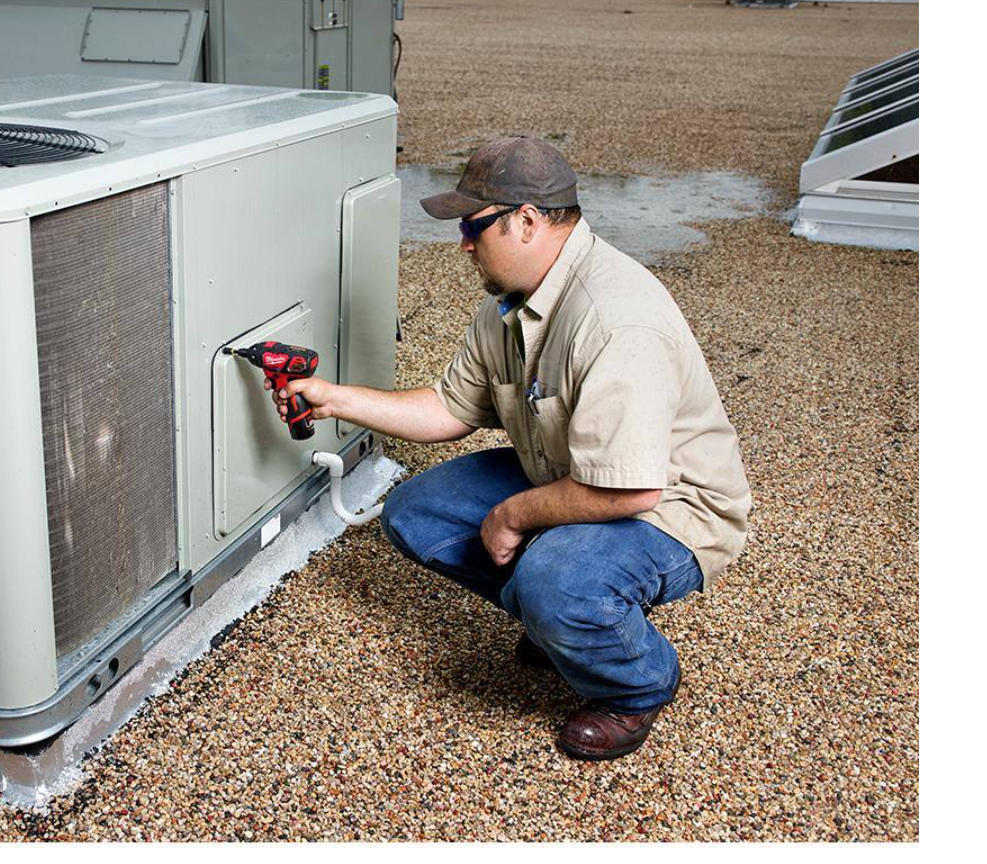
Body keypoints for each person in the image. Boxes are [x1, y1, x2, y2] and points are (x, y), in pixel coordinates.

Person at [266, 136, 751, 760]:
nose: (463, 244)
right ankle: (565, 619)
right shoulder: (513, 303)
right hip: (571, 475)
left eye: (473, 225)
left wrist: (512, 515)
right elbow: (448, 408)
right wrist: (334, 399)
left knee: (558, 584)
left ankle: (634, 684)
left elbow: (629, 490)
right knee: (416, 512)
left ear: (526, 221)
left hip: (669, 508)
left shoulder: (615, 320)